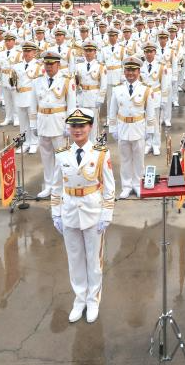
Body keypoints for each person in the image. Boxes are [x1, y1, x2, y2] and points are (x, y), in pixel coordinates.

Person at [51, 108, 116, 324]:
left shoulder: (100, 153)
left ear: (90, 127)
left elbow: (108, 186)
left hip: (92, 210)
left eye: (82, 126)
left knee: (93, 260)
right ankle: (79, 299)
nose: (77, 130)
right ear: (68, 129)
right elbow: (55, 185)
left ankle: (93, 299)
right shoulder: (61, 154)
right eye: (74, 126)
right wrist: (55, 213)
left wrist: (107, 213)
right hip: (69, 209)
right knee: (75, 258)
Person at [106, 56, 155, 199]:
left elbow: (150, 113)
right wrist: (113, 129)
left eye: (133, 70)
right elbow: (112, 111)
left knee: (139, 159)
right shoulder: (117, 89)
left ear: (139, 71)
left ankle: (138, 184)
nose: (130, 73)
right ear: (124, 71)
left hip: (138, 128)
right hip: (123, 128)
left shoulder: (146, 89)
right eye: (127, 70)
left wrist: (150, 130)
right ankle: (127, 185)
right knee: (125, 159)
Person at [32, 51, 76, 199]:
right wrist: (33, 124)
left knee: (62, 158)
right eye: (47, 64)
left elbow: (71, 105)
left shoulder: (67, 81)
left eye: (52, 64)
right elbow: (33, 105)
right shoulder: (37, 81)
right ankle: (49, 185)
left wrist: (69, 126)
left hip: (59, 124)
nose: (49, 67)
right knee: (46, 157)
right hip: (43, 122)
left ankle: (61, 186)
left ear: (58, 64)